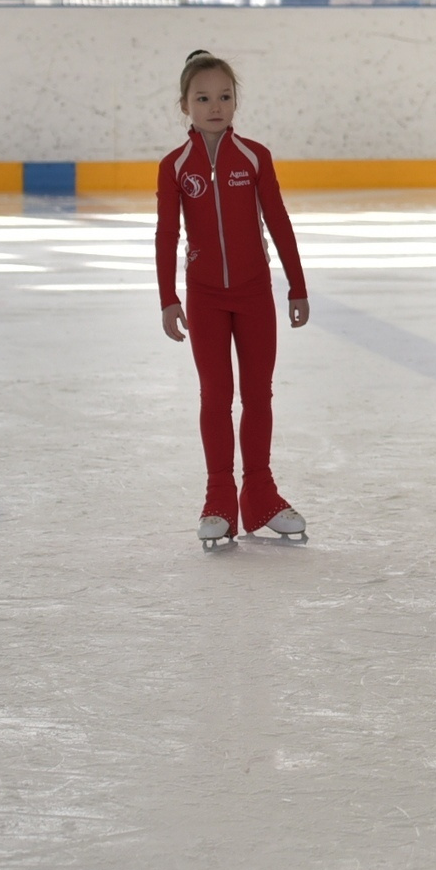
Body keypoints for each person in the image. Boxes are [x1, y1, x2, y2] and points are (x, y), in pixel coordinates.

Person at [157, 51, 310, 550]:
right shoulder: (175, 167)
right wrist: (168, 297)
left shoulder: (255, 157)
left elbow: (279, 221)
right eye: (203, 98)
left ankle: (261, 495)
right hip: (204, 298)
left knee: (258, 393)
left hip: (253, 295)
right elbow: (165, 235)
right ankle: (219, 498)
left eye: (225, 96)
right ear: (185, 104)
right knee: (215, 396)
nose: (215, 106)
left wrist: (297, 285)